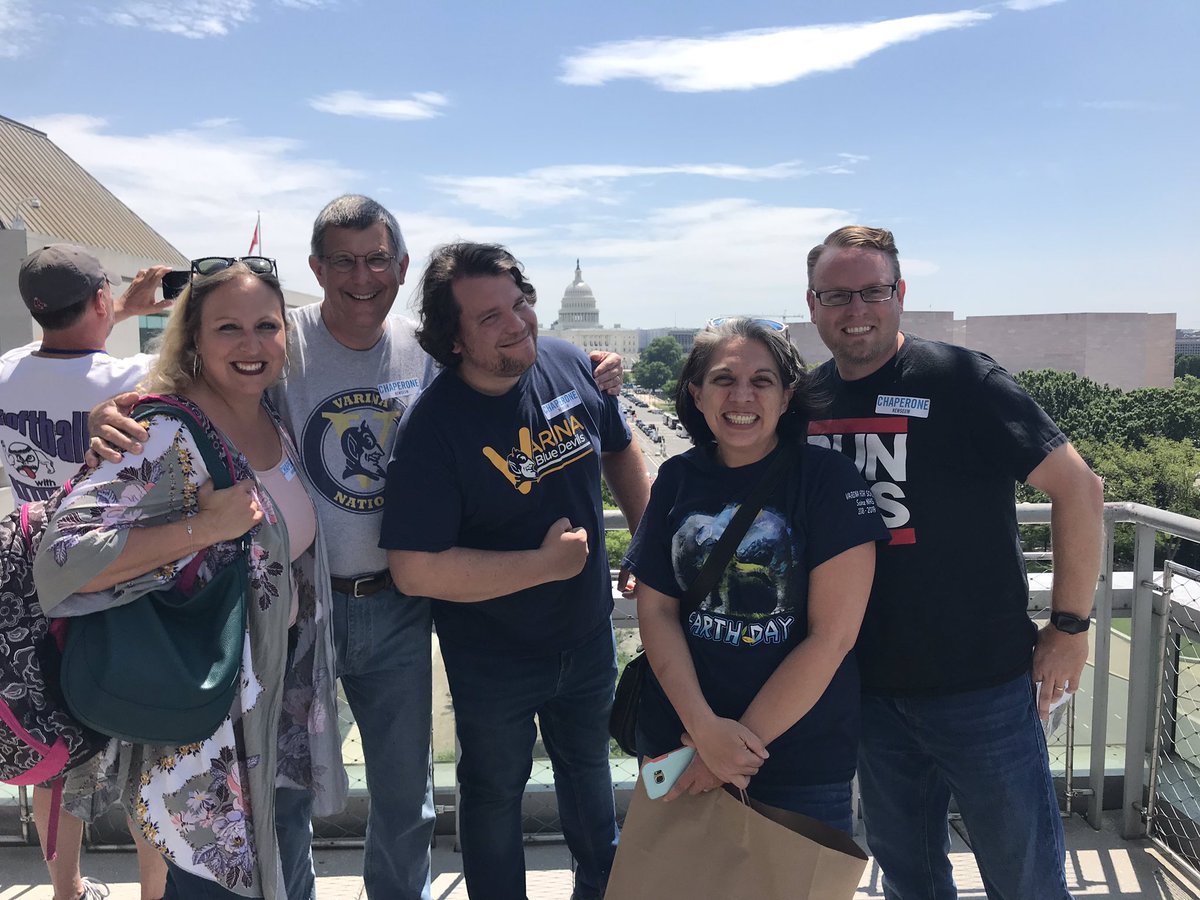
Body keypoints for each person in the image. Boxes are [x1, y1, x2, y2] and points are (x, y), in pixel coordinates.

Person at [86, 196, 626, 899]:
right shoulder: (284, 339)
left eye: (377, 259)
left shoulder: (427, 347)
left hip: (398, 606)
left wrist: (592, 369)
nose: (361, 276)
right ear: (316, 267)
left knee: (406, 799)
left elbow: (504, 369)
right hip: (294, 607)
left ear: (402, 267)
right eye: (342, 260)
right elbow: (194, 379)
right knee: (284, 793)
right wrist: (110, 408)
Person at [804, 226, 1105, 897]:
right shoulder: (808, 400)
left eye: (872, 291)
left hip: (982, 687)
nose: (856, 309)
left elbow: (1081, 489)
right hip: (868, 690)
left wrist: (1071, 626)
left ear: (899, 294)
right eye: (837, 295)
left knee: (1023, 879)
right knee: (909, 877)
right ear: (813, 303)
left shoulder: (962, 379)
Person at [33, 259, 346, 899]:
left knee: (272, 867)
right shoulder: (162, 431)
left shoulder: (270, 417)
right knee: (207, 883)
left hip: (269, 704)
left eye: (266, 326)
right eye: (227, 328)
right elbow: (60, 562)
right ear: (194, 339)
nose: (251, 344)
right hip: (202, 724)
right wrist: (203, 529)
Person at [381, 242, 649, 900]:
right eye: (490, 317)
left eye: (520, 303)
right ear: (453, 342)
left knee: (591, 786)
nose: (518, 323)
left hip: (586, 639)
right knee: (494, 798)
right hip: (494, 658)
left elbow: (619, 448)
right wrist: (541, 566)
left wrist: (644, 542)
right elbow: (415, 570)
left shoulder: (566, 360)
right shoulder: (433, 429)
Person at [623, 317, 887, 833]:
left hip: (798, 758)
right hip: (679, 740)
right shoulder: (677, 478)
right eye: (724, 379)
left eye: (761, 381)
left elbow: (832, 636)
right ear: (697, 395)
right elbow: (656, 609)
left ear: (787, 397)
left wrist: (729, 750)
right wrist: (703, 732)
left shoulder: (827, 481)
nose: (741, 396)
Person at [0, 244, 171, 900]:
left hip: (36, 586)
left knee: (56, 758)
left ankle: (67, 889)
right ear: (101, 300)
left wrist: (113, 304)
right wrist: (139, 306)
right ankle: (154, 891)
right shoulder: (135, 374)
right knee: (147, 746)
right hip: (119, 579)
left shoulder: (9, 370)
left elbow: (61, 340)